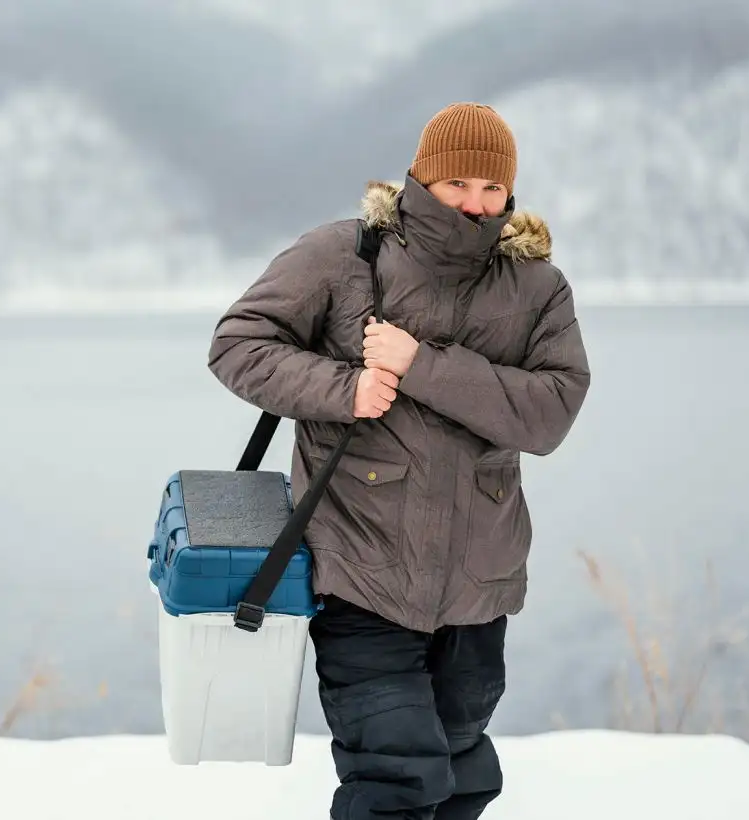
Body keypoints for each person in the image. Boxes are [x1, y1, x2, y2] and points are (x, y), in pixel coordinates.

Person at [206, 102, 591, 820]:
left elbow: (552, 412)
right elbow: (236, 344)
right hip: (361, 569)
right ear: (421, 178)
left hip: (480, 582)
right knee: (397, 780)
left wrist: (421, 365)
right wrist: (343, 387)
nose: (476, 205)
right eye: (458, 185)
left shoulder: (538, 288)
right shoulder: (342, 256)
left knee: (463, 772)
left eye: (492, 188)